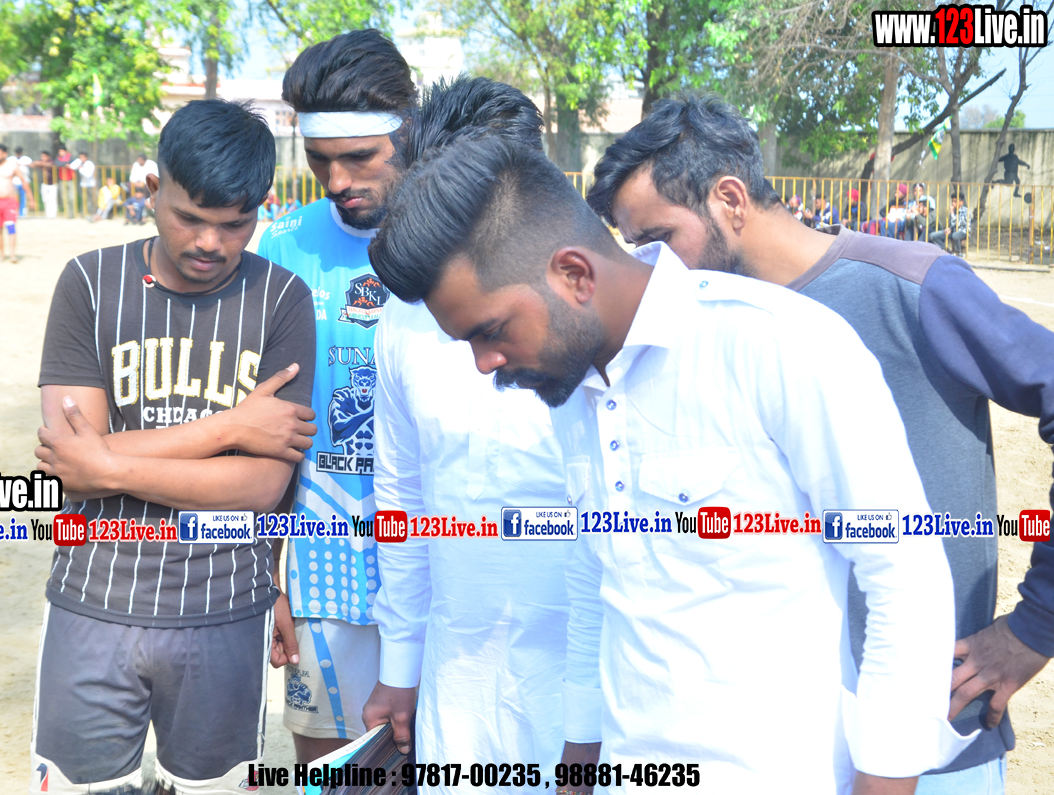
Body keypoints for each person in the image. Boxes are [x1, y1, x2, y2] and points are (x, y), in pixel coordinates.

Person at [370, 134, 973, 794]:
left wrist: (884, 778)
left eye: (490, 331)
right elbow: (595, 576)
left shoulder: (777, 344)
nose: (485, 364)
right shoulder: (576, 392)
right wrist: (581, 749)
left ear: (574, 275)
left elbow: (904, 574)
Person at [586, 93, 1054, 794]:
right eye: (634, 248)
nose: (649, 267)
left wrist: (1035, 625)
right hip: (777, 759)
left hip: (930, 748)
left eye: (659, 239)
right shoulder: (682, 337)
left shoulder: (910, 287)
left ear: (730, 200)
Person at [30, 98, 318, 795]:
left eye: (235, 224)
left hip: (226, 605)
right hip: (94, 597)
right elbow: (74, 465)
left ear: (261, 210)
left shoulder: (282, 299)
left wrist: (109, 460)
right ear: (153, 190)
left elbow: (260, 488)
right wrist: (229, 429)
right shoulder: (89, 283)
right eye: (190, 217)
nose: (211, 242)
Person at [360, 76, 571, 792]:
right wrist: (399, 666)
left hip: (587, 677)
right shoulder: (402, 319)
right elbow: (402, 495)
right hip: (458, 680)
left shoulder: (592, 310)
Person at [256, 28, 413, 765]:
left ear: (407, 134)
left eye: (361, 157)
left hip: (441, 564)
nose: (337, 179)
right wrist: (268, 578)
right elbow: (251, 433)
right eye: (320, 160)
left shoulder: (460, 242)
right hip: (321, 569)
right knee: (331, 769)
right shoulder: (278, 246)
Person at [0, 143, 35, 262]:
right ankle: (2, 255)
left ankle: (12, 254)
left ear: (4, 154)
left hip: (9, 201)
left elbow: (24, 181)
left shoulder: (12, 166)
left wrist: (31, 198)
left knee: (11, 227)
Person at [71, 151, 97, 216]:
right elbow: (72, 166)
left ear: (86, 157)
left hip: (91, 185)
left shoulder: (89, 164)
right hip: (83, 184)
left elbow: (88, 174)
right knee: (83, 200)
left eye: (82, 157)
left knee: (92, 200)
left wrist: (81, 169)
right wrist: (78, 161)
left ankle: (93, 213)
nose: (81, 159)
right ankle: (84, 214)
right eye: (80, 157)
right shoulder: (80, 163)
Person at [34, 151, 58, 218]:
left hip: (52, 184)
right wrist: (41, 163)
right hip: (44, 184)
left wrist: (42, 164)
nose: (42, 158)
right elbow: (34, 163)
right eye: (42, 156)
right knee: (45, 199)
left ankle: (53, 215)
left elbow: (50, 164)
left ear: (48, 157)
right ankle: (48, 214)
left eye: (44, 156)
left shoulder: (51, 161)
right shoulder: (40, 161)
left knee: (52, 200)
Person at [55, 147, 77, 219]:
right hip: (62, 179)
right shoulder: (58, 157)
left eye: (62, 151)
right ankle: (67, 214)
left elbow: (71, 162)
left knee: (71, 198)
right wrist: (65, 164)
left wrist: (63, 164)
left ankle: (73, 213)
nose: (61, 153)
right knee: (64, 198)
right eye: (60, 151)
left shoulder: (70, 156)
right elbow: (57, 163)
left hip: (70, 179)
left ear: (65, 151)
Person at [12, 146, 33, 216]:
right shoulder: (11, 159)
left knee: (24, 198)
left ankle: (23, 213)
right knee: (14, 198)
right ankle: (15, 213)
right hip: (14, 181)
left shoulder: (26, 159)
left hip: (24, 181)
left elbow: (32, 164)